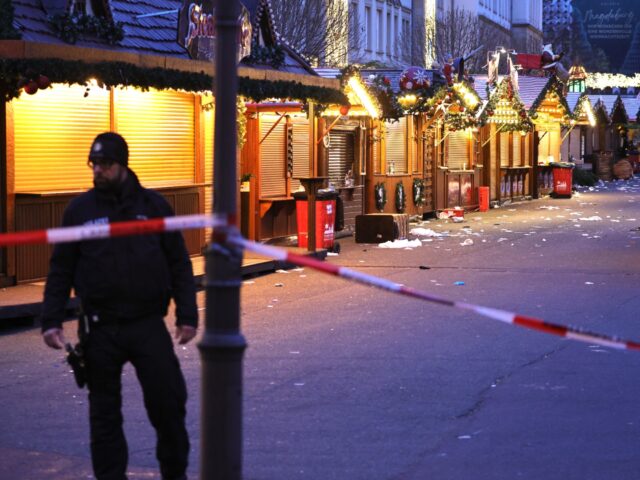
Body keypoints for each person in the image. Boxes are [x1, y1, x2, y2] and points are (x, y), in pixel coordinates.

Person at [41, 132, 198, 480]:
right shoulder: (79, 211)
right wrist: (50, 320)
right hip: (99, 328)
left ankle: (176, 474)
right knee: (104, 418)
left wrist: (187, 314)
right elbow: (61, 267)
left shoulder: (154, 207)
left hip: (146, 324)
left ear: (122, 165)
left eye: (105, 164)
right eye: (94, 164)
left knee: (168, 404)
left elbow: (178, 263)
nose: (98, 171)